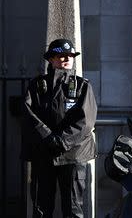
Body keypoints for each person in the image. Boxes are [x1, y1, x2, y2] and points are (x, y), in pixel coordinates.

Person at [22, 39, 97, 218]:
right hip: (43, 154)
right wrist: (48, 137)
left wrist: (62, 140)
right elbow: (28, 114)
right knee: (41, 208)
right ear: (51, 59)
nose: (67, 59)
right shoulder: (36, 86)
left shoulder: (82, 86)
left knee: (73, 209)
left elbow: (86, 121)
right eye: (61, 55)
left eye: (70, 55)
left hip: (73, 154)